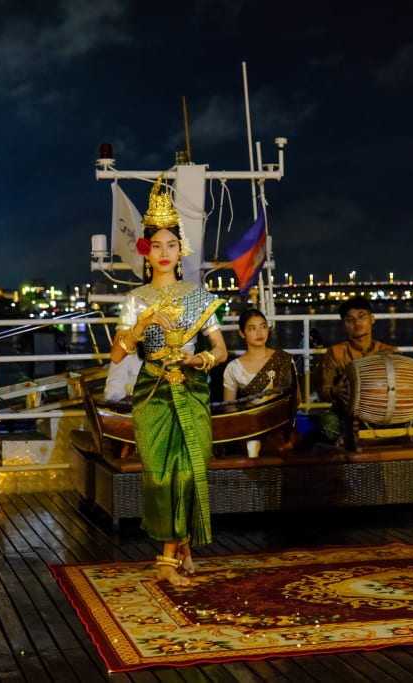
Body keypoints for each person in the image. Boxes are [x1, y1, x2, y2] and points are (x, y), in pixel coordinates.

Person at [109, 174, 227, 586]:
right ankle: (176, 549)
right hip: (153, 390)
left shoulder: (197, 297)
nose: (164, 252)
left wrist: (202, 360)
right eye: (156, 245)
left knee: (190, 470)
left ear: (182, 251)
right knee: (159, 473)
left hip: (190, 387)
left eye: (171, 245)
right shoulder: (135, 300)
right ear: (146, 251)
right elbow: (117, 353)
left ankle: (170, 555)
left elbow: (221, 349)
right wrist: (139, 327)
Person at [318, 295, 398, 443]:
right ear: (344, 326)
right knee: (327, 423)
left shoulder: (389, 352)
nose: (357, 322)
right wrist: (335, 391)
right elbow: (324, 391)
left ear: (372, 319)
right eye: (350, 319)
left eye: (362, 316)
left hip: (384, 413)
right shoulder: (335, 353)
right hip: (348, 415)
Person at [222, 307, 299, 451]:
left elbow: (297, 399)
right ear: (242, 333)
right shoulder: (233, 368)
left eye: (263, 327)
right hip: (249, 428)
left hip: (280, 426)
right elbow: (229, 409)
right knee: (252, 446)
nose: (259, 333)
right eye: (252, 328)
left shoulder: (283, 359)